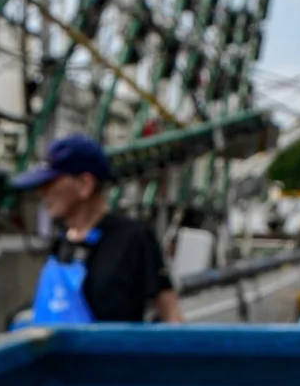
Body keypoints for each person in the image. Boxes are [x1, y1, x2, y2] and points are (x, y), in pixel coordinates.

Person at [13, 134, 183, 325]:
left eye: (50, 183)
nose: (42, 193)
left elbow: (170, 312)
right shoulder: (60, 244)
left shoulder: (132, 238)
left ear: (85, 184)